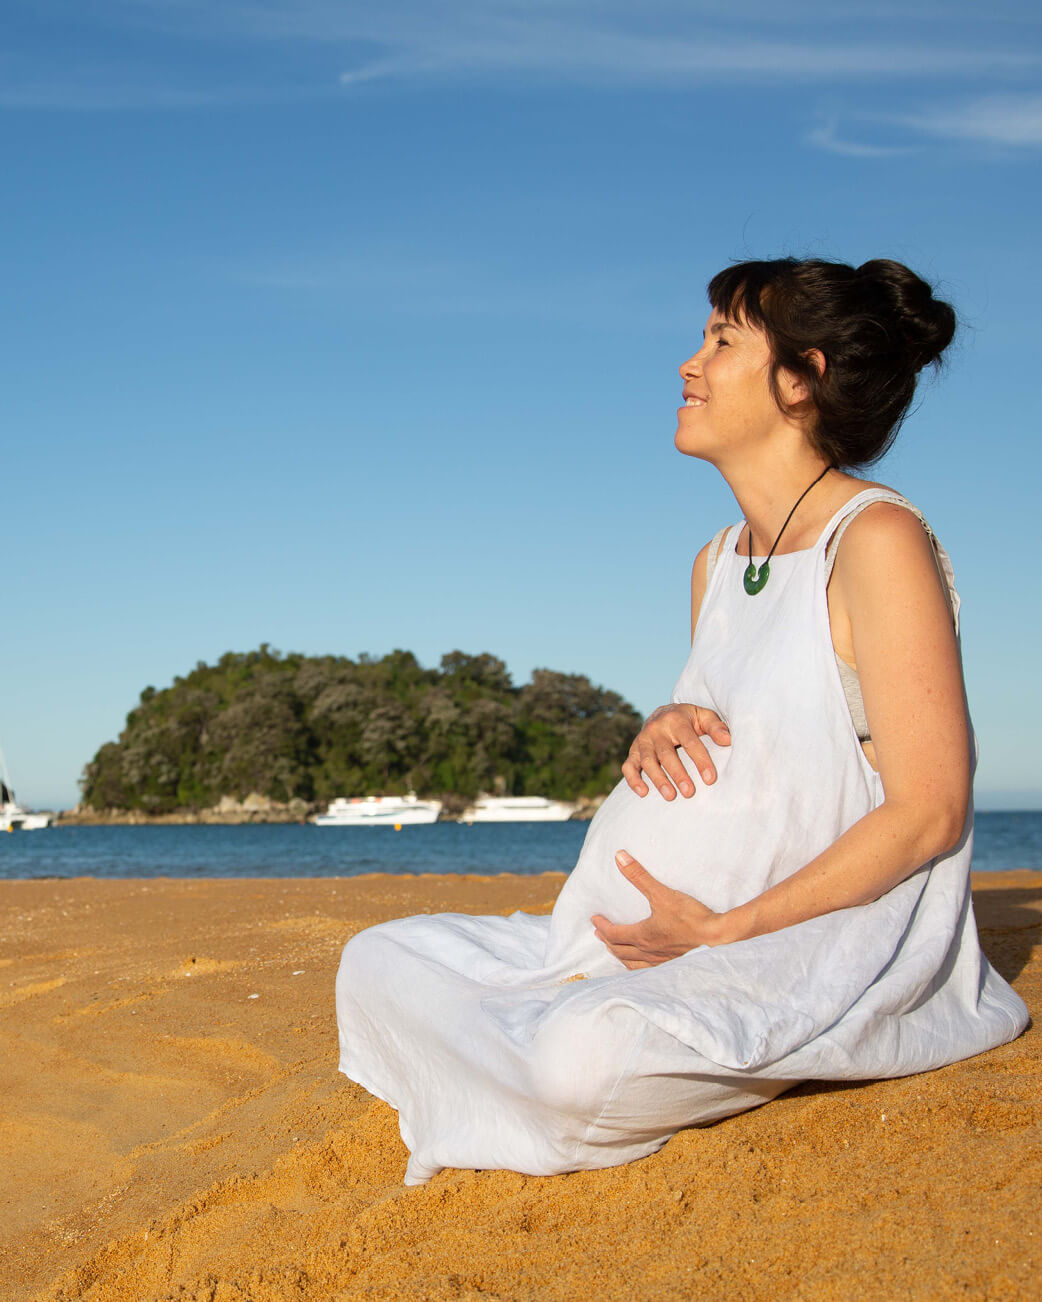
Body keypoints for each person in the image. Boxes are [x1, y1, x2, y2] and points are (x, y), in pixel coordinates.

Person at [336, 256, 1029, 1186]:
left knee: (580, 1064)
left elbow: (931, 810)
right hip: (610, 942)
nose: (688, 365)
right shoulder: (714, 562)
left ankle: (552, 1051)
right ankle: (564, 1025)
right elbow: (750, 727)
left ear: (802, 378)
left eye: (722, 340)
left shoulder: (873, 539)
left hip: (788, 941)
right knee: (374, 960)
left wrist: (727, 932)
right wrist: (665, 719)